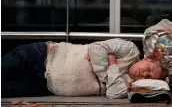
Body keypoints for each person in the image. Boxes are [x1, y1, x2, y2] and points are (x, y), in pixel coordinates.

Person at [2, 39, 163, 99]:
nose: (146, 73)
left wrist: (111, 63)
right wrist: (108, 80)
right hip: (41, 56)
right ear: (147, 58)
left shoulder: (129, 88)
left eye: (150, 77)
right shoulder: (129, 50)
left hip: (42, 86)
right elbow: (96, 48)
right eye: (149, 68)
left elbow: (113, 93)